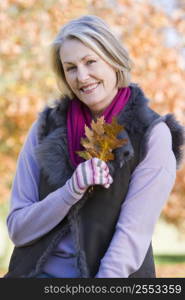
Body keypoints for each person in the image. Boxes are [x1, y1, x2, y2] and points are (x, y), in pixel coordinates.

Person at [5, 15, 184, 278]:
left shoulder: (152, 136)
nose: (82, 76)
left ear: (113, 60)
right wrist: (69, 192)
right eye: (71, 68)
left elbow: (130, 242)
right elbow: (19, 230)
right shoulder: (44, 128)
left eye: (90, 62)